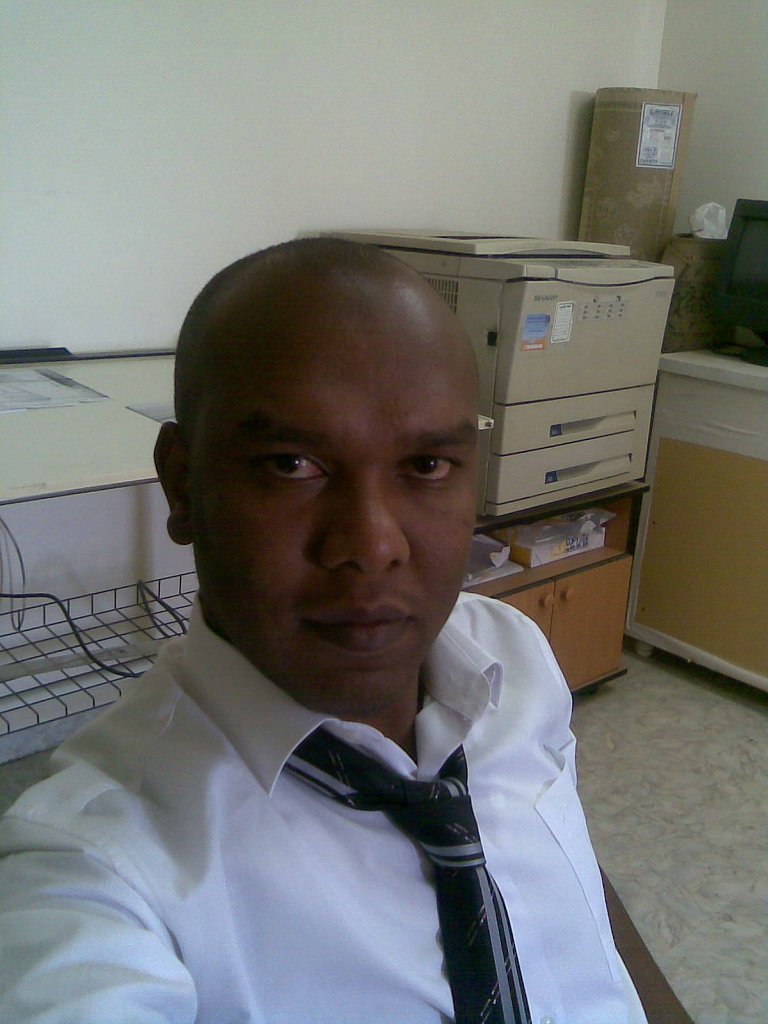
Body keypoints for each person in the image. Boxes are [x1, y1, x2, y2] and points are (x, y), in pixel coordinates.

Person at [0, 238, 647, 1023]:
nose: (372, 545)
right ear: (182, 483)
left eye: (427, 466)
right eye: (290, 465)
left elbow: (562, 882)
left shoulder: (511, 655)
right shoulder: (100, 869)